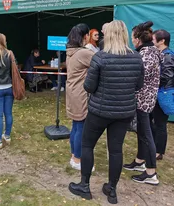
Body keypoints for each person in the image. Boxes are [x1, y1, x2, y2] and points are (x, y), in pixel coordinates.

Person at [68, 20, 144, 204]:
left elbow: (89, 86)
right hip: (124, 112)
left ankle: (85, 186)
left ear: (108, 36)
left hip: (100, 111)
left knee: (87, 145)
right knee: (116, 150)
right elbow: (138, 86)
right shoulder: (136, 57)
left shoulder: (101, 57)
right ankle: (112, 190)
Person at [123, 21, 161, 185]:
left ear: (138, 39)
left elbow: (139, 78)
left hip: (143, 101)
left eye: (132, 37)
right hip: (144, 100)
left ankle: (151, 172)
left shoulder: (147, 54)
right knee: (142, 132)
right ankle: (140, 161)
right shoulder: (147, 51)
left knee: (146, 134)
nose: (132, 40)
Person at [66, 24, 95, 170]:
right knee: (81, 127)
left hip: (72, 92)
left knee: (76, 126)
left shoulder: (70, 51)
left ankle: (74, 156)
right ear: (85, 36)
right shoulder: (83, 53)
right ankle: (77, 159)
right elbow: (101, 62)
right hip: (80, 93)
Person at [151, 29, 174, 160]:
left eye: (154, 39)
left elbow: (167, 76)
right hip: (158, 92)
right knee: (155, 123)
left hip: (163, 93)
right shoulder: (161, 54)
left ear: (162, 41)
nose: (152, 42)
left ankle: (159, 152)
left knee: (160, 124)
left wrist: (153, 81)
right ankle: (155, 148)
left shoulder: (168, 56)